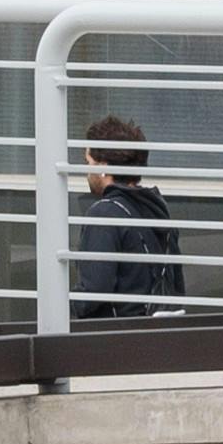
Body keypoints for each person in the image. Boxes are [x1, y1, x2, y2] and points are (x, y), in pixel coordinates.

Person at [66, 115, 183, 326]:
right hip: (156, 338)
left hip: (116, 342)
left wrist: (61, 304)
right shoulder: (156, 209)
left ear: (102, 166)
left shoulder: (104, 214)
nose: (86, 173)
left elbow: (94, 292)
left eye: (88, 162)